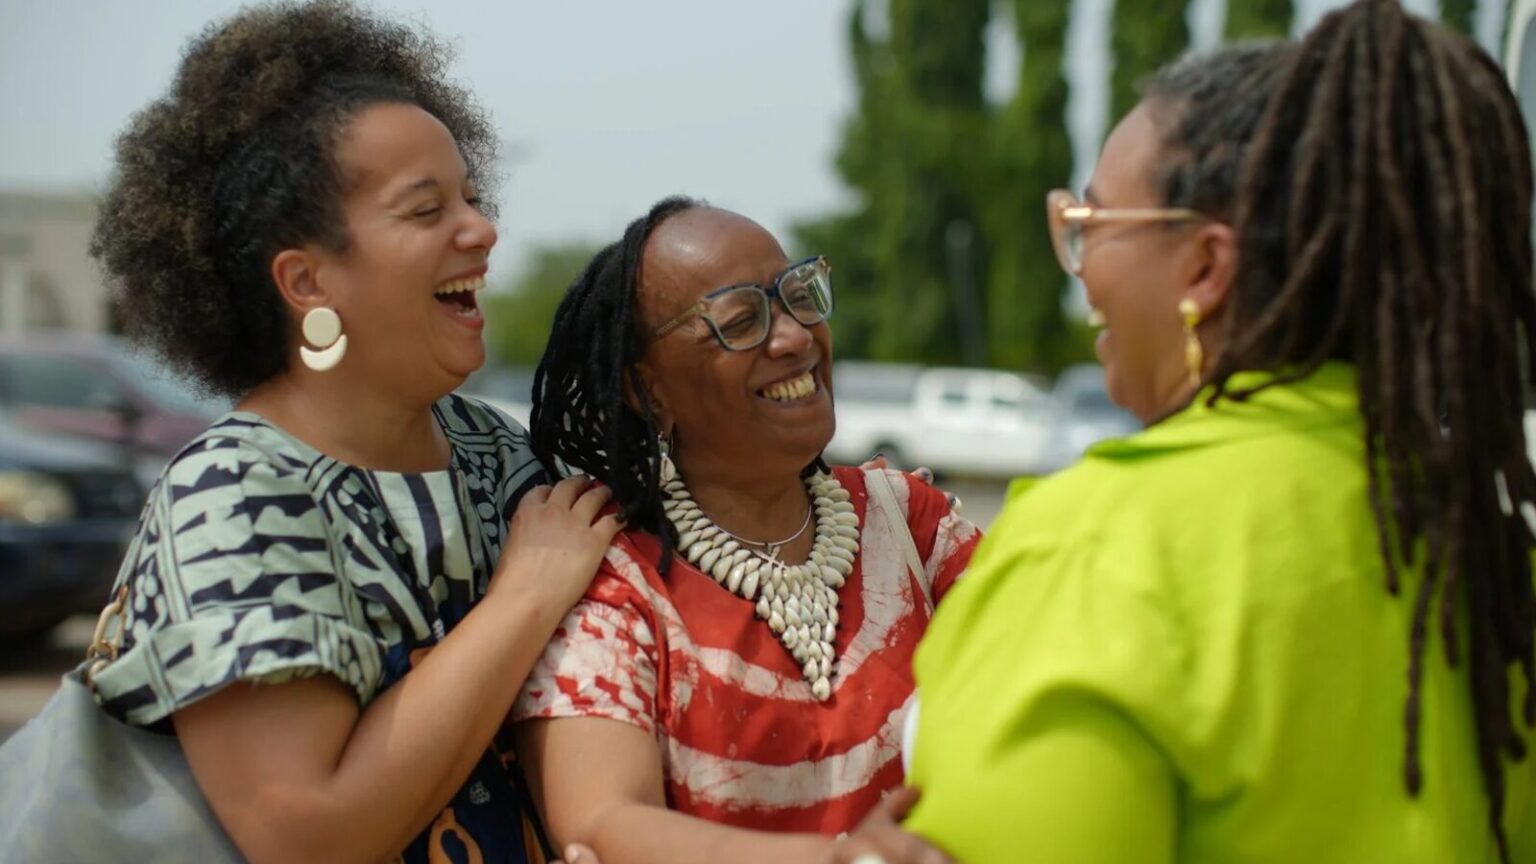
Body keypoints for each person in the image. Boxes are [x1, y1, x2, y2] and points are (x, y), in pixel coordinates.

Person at [905, 5, 1536, 862]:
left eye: (1091, 228)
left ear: (1205, 266)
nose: (1081, 267)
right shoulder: (1490, 546)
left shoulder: (1097, 550)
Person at [85, 2, 616, 861]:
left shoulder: (495, 450)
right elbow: (309, 833)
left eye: (472, 199)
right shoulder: (233, 493)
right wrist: (525, 594)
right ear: (307, 281)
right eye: (425, 209)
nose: (482, 231)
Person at [512, 198, 980, 863]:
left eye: (799, 295)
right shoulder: (618, 586)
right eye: (740, 321)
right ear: (648, 393)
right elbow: (604, 821)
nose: (793, 337)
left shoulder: (912, 524)